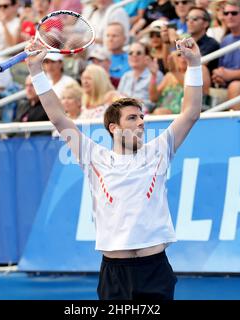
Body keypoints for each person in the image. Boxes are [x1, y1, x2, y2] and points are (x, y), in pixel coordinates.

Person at [24, 34, 203, 300]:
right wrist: (36, 71)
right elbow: (59, 118)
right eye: (132, 118)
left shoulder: (159, 150)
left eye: (142, 117)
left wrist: (195, 65)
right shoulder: (92, 156)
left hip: (155, 268)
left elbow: (190, 112)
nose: (141, 122)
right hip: (114, 272)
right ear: (114, 128)